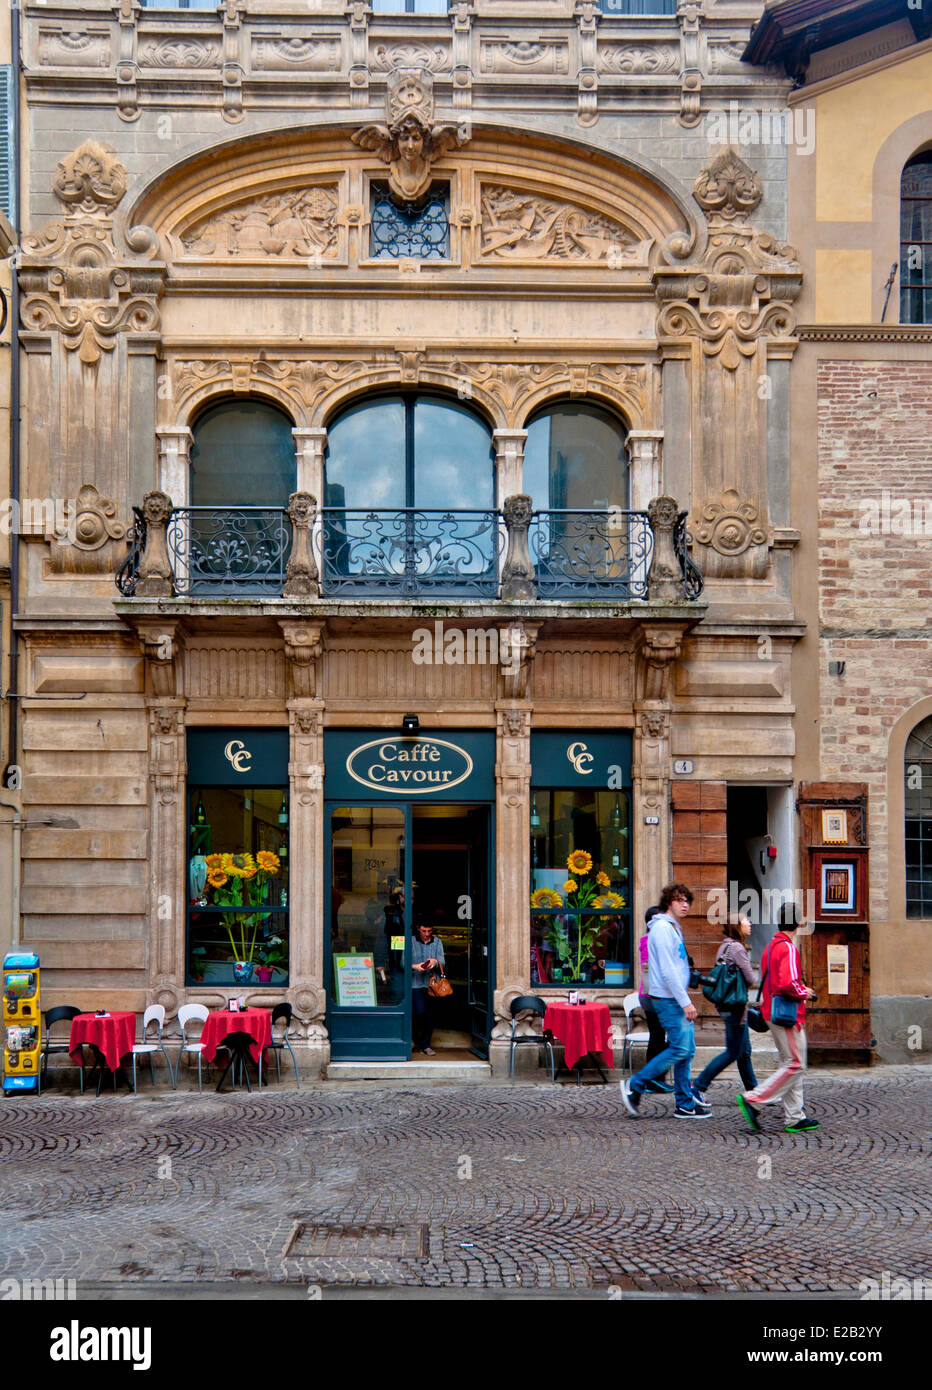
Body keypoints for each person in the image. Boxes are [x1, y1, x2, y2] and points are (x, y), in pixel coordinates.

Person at [620, 883, 710, 1119]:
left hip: (675, 998)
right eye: (679, 900)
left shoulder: (672, 928)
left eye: (687, 901)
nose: (685, 905)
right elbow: (669, 972)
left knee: (686, 1050)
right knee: (680, 1048)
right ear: (668, 902)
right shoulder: (661, 929)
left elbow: (678, 968)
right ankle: (635, 1085)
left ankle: (684, 1102)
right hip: (668, 999)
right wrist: (685, 1002)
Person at [737, 904, 818, 1134]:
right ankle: (754, 1099)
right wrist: (806, 992)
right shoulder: (789, 949)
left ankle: (795, 1116)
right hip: (788, 1014)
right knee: (796, 1064)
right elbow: (788, 984)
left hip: (771, 1011)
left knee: (789, 1063)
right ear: (799, 923)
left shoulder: (770, 947)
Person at [691, 914, 758, 1104]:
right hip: (736, 1007)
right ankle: (699, 1086)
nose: (749, 923)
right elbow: (751, 979)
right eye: (746, 920)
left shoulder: (724, 946)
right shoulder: (737, 948)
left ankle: (754, 1092)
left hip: (728, 1006)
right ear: (737, 925)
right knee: (733, 1052)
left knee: (743, 1051)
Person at [638, 905, 673, 1094]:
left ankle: (655, 1078)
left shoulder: (647, 939)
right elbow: (651, 969)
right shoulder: (652, 941)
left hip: (649, 995)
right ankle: (653, 1079)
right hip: (654, 996)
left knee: (658, 1037)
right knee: (666, 1038)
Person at [411, 921, 446, 1057]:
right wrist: (415, 966)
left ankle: (425, 1045)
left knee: (430, 1015)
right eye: (424, 931)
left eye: (429, 931)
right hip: (416, 983)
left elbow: (443, 961)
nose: (427, 934)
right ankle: (414, 1038)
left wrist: (435, 962)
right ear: (418, 928)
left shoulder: (437, 942)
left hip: (432, 985)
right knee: (419, 1012)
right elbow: (403, 962)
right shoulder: (411, 941)